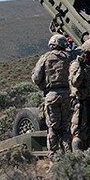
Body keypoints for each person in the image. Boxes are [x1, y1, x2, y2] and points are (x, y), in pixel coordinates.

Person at [32, 33, 74, 161]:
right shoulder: (70, 57)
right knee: (66, 128)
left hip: (51, 96)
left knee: (53, 128)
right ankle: (68, 156)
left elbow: (36, 78)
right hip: (68, 95)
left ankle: (53, 157)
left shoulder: (45, 58)